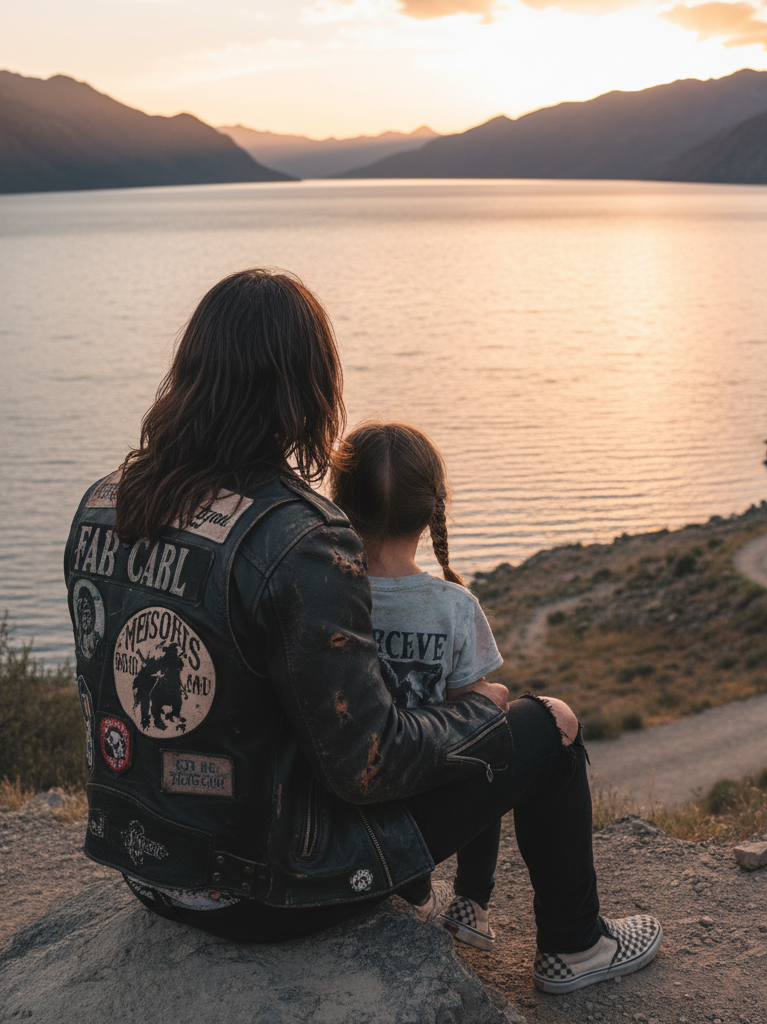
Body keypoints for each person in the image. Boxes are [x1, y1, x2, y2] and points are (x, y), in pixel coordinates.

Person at [64, 268, 662, 994]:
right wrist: (491, 710)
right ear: (306, 388)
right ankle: (577, 945)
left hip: (150, 869)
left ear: (189, 372)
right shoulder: (297, 538)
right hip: (269, 892)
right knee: (547, 727)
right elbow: (369, 762)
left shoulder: (101, 504)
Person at [330, 420, 505, 951]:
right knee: (489, 746)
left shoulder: (327, 596)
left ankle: (413, 894)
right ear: (433, 510)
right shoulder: (454, 606)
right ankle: (471, 903)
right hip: (428, 801)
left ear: (340, 506)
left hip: (346, 793)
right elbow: (464, 715)